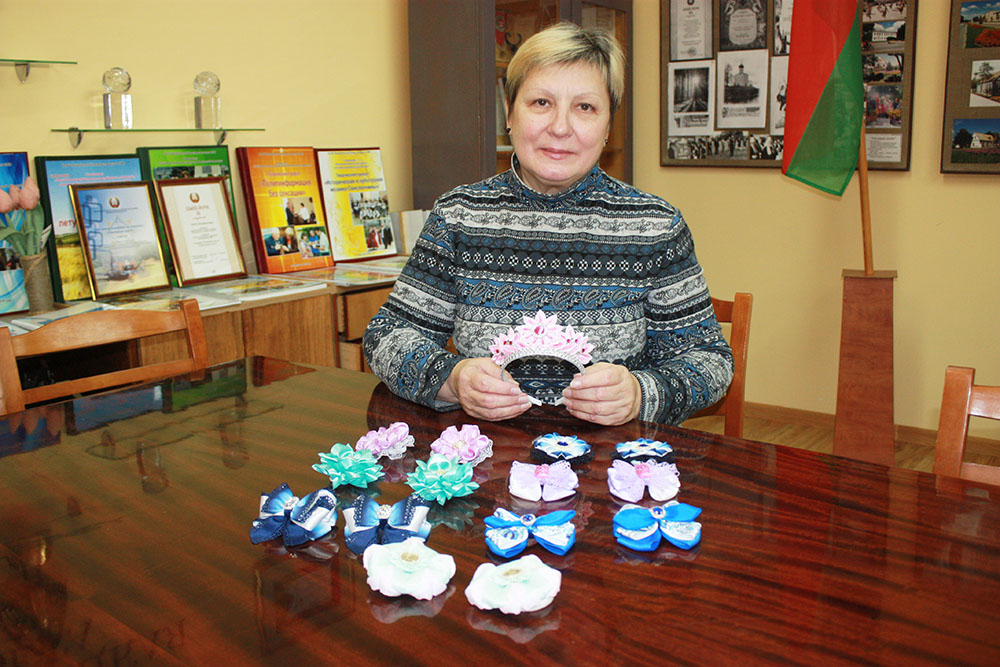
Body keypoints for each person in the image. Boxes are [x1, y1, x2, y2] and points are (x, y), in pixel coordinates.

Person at [363, 21, 732, 426]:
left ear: (608, 126)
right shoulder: (459, 216)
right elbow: (387, 335)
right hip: (484, 451)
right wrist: (452, 379)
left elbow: (710, 362)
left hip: (614, 455)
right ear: (509, 112)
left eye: (585, 107)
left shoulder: (655, 226)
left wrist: (639, 393)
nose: (560, 127)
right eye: (541, 102)